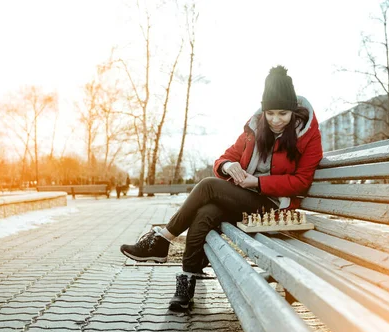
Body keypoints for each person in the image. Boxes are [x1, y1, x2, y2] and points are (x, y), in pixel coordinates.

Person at [120, 65, 323, 312]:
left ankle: (163, 239)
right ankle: (187, 281)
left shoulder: (308, 134)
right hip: (245, 199)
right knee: (206, 212)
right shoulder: (254, 129)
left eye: (283, 113)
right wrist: (229, 167)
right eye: (270, 113)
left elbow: (302, 181)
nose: (276, 120)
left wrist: (257, 182)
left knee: (207, 186)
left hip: (273, 205)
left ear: (293, 110)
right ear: (263, 110)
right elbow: (224, 158)